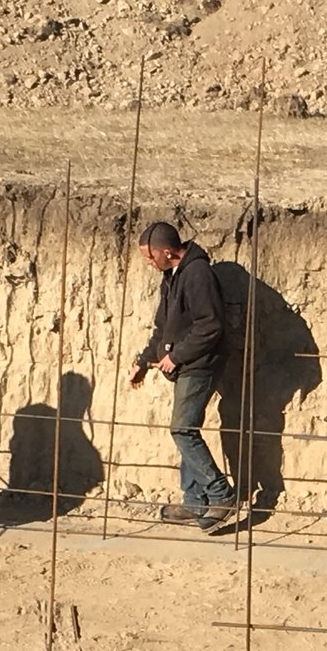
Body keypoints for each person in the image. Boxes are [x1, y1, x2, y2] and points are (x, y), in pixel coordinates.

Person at [128, 220, 241, 532]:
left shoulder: (198, 274)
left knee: (182, 429)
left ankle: (221, 494)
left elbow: (211, 325)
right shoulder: (172, 276)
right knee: (185, 429)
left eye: (149, 256)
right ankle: (194, 501)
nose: (148, 263)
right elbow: (163, 329)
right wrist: (145, 360)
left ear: (167, 251)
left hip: (201, 364)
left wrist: (176, 356)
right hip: (187, 364)